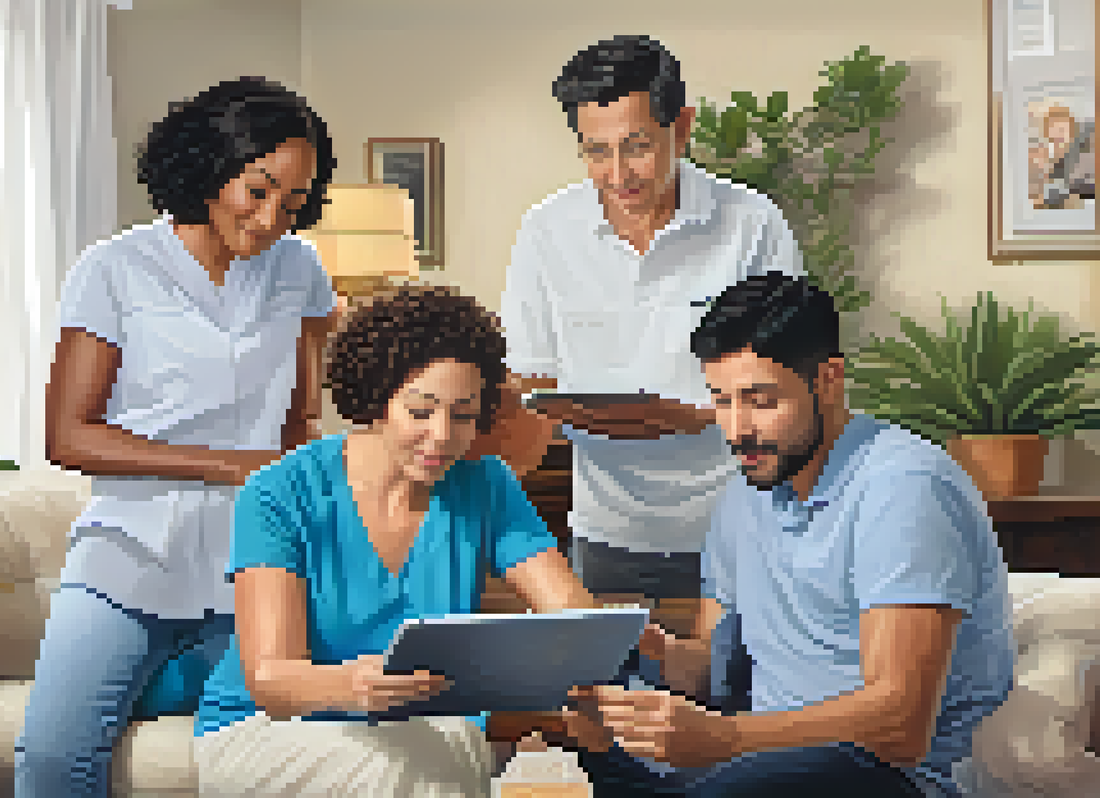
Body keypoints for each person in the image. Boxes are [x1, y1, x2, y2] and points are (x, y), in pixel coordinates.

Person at [552, 272, 1015, 798]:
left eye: (761, 400)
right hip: (755, 764)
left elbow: (900, 724)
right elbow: (712, 671)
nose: (737, 429)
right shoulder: (743, 498)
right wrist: (657, 654)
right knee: (593, 749)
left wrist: (725, 738)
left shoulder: (904, 488)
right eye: (722, 400)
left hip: (887, 779)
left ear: (829, 380)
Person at [17, 76, 339, 797]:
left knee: (278, 748)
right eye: (256, 191)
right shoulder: (115, 269)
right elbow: (69, 435)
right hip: (126, 558)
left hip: (250, 565)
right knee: (51, 757)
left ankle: (162, 684)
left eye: (292, 203)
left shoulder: (301, 272)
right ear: (208, 165)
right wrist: (228, 465)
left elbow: (300, 423)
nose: (269, 221)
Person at [193, 285, 600, 798]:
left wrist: (591, 668)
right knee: (405, 770)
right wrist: (350, 686)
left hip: (427, 730)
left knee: (439, 750)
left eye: (464, 415)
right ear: (377, 398)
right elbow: (273, 681)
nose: (443, 436)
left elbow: (564, 603)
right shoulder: (280, 492)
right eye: (421, 411)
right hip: (268, 729)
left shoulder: (485, 483)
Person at [498, 34, 804, 662]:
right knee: (612, 716)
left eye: (636, 147)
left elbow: (787, 384)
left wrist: (683, 418)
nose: (618, 175)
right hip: (606, 534)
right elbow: (527, 379)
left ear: (682, 126)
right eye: (596, 152)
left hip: (737, 525)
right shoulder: (545, 231)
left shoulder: (752, 225)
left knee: (736, 705)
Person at [1028, 103, 1095, 210]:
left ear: (1071, 130)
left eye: (1062, 130)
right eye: (1053, 133)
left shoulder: (1084, 153)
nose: (1058, 137)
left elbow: (1084, 189)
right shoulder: (1055, 160)